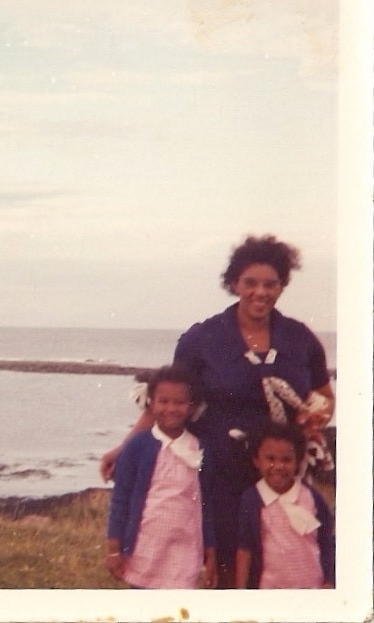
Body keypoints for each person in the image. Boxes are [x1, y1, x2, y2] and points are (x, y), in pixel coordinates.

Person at [100, 235, 335, 587]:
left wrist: (314, 416)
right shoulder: (204, 337)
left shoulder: (299, 338)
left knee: (276, 554)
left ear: (282, 285)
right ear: (234, 284)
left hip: (280, 465)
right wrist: (127, 444)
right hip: (217, 468)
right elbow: (169, 400)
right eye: (250, 283)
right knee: (222, 558)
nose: (260, 292)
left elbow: (323, 396)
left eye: (270, 284)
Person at [106, 365, 217, 589]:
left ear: (192, 406)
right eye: (163, 401)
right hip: (145, 547)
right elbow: (121, 500)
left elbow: (207, 507)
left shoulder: (199, 448)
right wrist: (114, 549)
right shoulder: (137, 446)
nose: (171, 408)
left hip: (185, 549)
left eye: (179, 402)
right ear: (151, 403)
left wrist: (211, 553)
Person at [235, 421, 335, 588]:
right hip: (271, 591)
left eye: (287, 460)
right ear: (257, 460)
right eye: (270, 459)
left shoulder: (310, 496)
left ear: (298, 462)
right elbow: (245, 548)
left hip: (312, 588)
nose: (279, 466)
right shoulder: (252, 499)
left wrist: (330, 580)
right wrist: (240, 592)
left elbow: (327, 540)